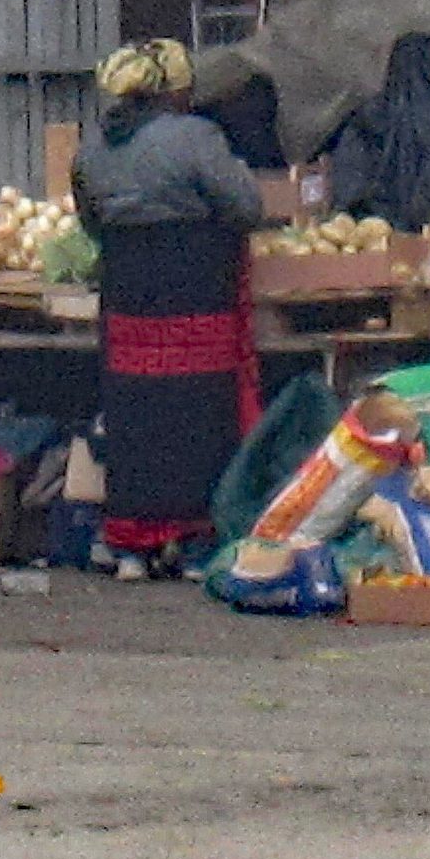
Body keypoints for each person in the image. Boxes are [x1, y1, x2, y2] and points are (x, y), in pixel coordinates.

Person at [73, 39, 263, 581]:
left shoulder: (91, 150)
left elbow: (92, 224)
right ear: (173, 93)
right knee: (198, 411)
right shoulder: (196, 138)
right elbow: (246, 206)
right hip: (193, 295)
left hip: (128, 299)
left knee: (136, 414)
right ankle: (196, 542)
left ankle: (133, 546)